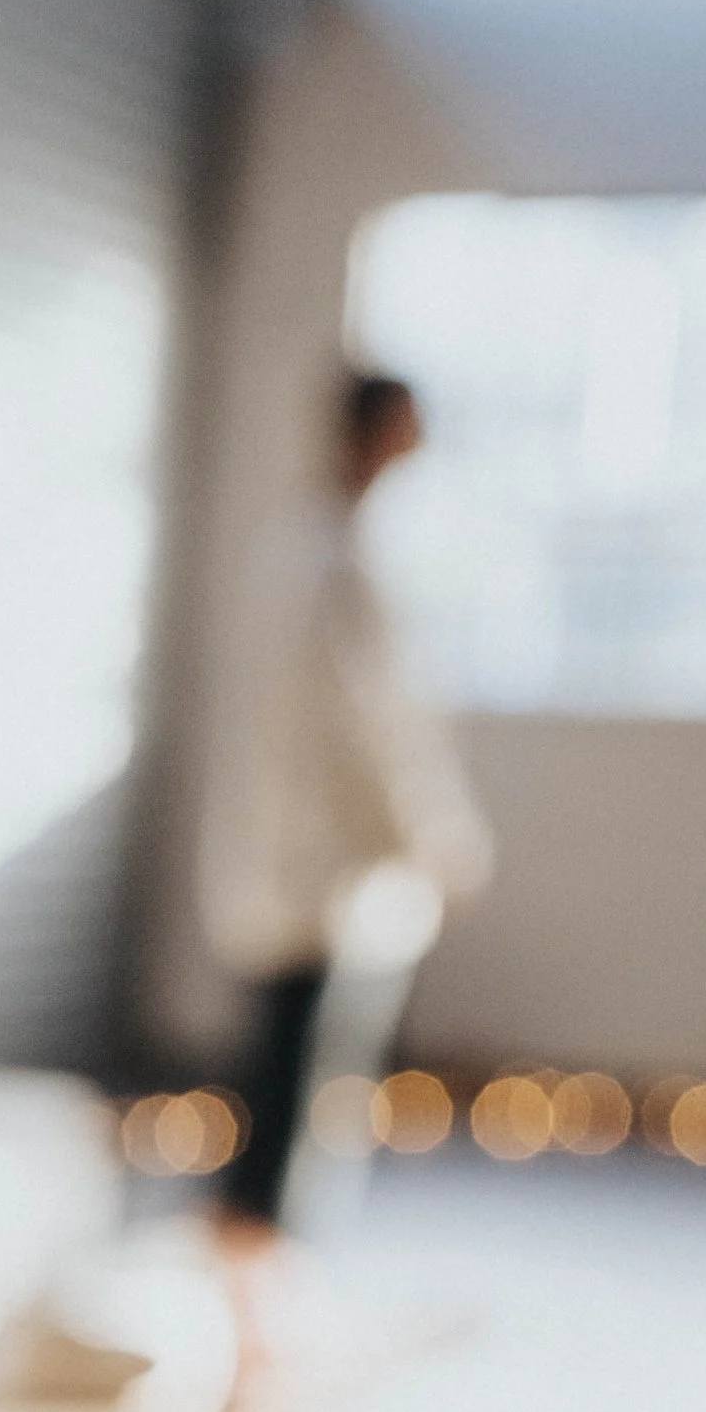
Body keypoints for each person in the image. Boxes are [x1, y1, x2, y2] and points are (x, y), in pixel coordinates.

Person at [202, 366, 495, 1246]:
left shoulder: (307, 549)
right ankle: (254, 1287)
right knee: (297, 1095)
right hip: (325, 873)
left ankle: (254, 1278)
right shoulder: (333, 561)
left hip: (306, 866)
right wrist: (441, 843)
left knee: (289, 1087)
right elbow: (374, 731)